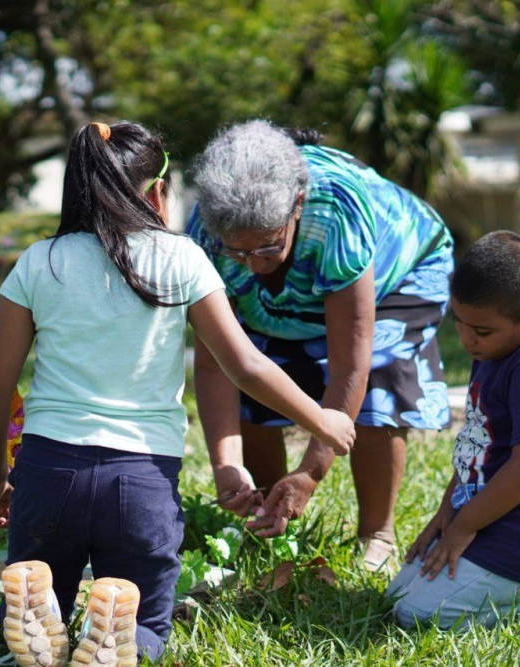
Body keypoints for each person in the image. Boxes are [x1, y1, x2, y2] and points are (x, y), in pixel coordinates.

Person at [0, 121, 355, 667]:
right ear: (158, 192)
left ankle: (48, 616)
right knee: (147, 619)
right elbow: (244, 365)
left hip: (48, 470)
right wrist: (321, 419)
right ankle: (124, 641)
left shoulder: (41, 261)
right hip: (141, 479)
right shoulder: (181, 259)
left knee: (43, 597)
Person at [186, 120, 454, 571]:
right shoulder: (207, 231)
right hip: (301, 283)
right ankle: (268, 513)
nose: (251, 268)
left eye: (267, 249)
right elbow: (220, 364)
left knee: (380, 376)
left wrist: (311, 472)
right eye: (238, 253)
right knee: (259, 368)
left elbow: (352, 363)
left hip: (399, 274)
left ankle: (377, 533)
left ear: (296, 205)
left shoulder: (335, 208)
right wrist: (226, 464)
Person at [386, 230, 520, 629]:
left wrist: (464, 527)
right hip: (491, 517)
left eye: (480, 331)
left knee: (416, 617)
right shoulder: (497, 344)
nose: (466, 339)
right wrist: (446, 514)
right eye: (459, 323)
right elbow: (478, 445)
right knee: (395, 597)